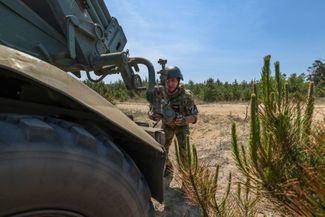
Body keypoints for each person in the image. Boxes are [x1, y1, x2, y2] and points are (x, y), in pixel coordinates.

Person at [151, 66, 198, 176]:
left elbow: (195, 116)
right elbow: (151, 111)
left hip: (182, 127)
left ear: (178, 81)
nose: (170, 84)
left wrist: (184, 120)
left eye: (173, 81)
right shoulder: (159, 93)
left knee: (184, 154)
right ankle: (168, 167)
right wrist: (154, 116)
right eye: (167, 81)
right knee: (162, 151)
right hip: (166, 126)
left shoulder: (186, 96)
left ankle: (186, 179)